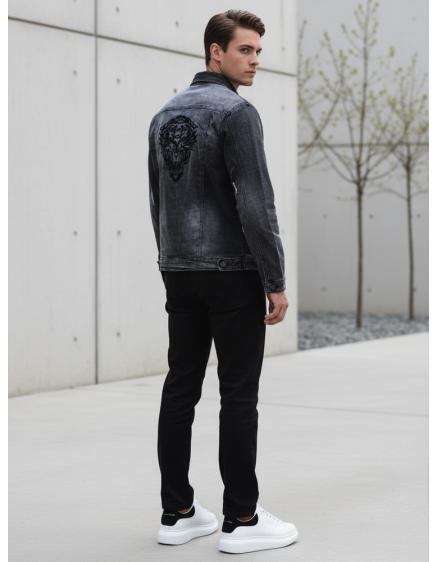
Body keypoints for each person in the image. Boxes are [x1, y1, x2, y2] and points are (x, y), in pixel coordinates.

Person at [148, 9, 298, 554]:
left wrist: (169, 262)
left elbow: (157, 201)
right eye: (245, 50)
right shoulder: (237, 113)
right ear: (216, 51)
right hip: (233, 273)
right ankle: (242, 517)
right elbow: (257, 203)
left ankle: (177, 513)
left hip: (180, 271)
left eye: (258, 51)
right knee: (238, 394)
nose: (255, 61)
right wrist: (274, 279)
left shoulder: (164, 114)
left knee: (180, 388)